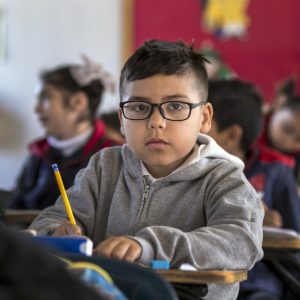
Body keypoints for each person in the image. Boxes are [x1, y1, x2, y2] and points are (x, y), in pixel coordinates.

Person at [29, 40, 263, 300]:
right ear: (121, 120)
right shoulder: (104, 167)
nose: (156, 122)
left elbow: (241, 241)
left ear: (205, 118)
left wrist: (149, 245)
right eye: (139, 107)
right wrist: (56, 231)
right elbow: (48, 221)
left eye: (175, 106)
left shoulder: (224, 178)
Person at [208, 79, 300, 300]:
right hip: (201, 278)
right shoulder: (188, 170)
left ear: (232, 136)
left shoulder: (277, 170)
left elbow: (294, 239)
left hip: (258, 282)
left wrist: (263, 225)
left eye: (202, 121)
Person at [9, 55, 117, 209]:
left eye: (45, 98)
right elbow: (15, 208)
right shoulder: (38, 154)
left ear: (78, 102)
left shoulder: (111, 156)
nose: (36, 109)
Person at [259, 94, 300, 188]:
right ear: (278, 106)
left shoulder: (293, 164)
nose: (288, 140)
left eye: (299, 139)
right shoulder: (250, 130)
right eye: (287, 128)